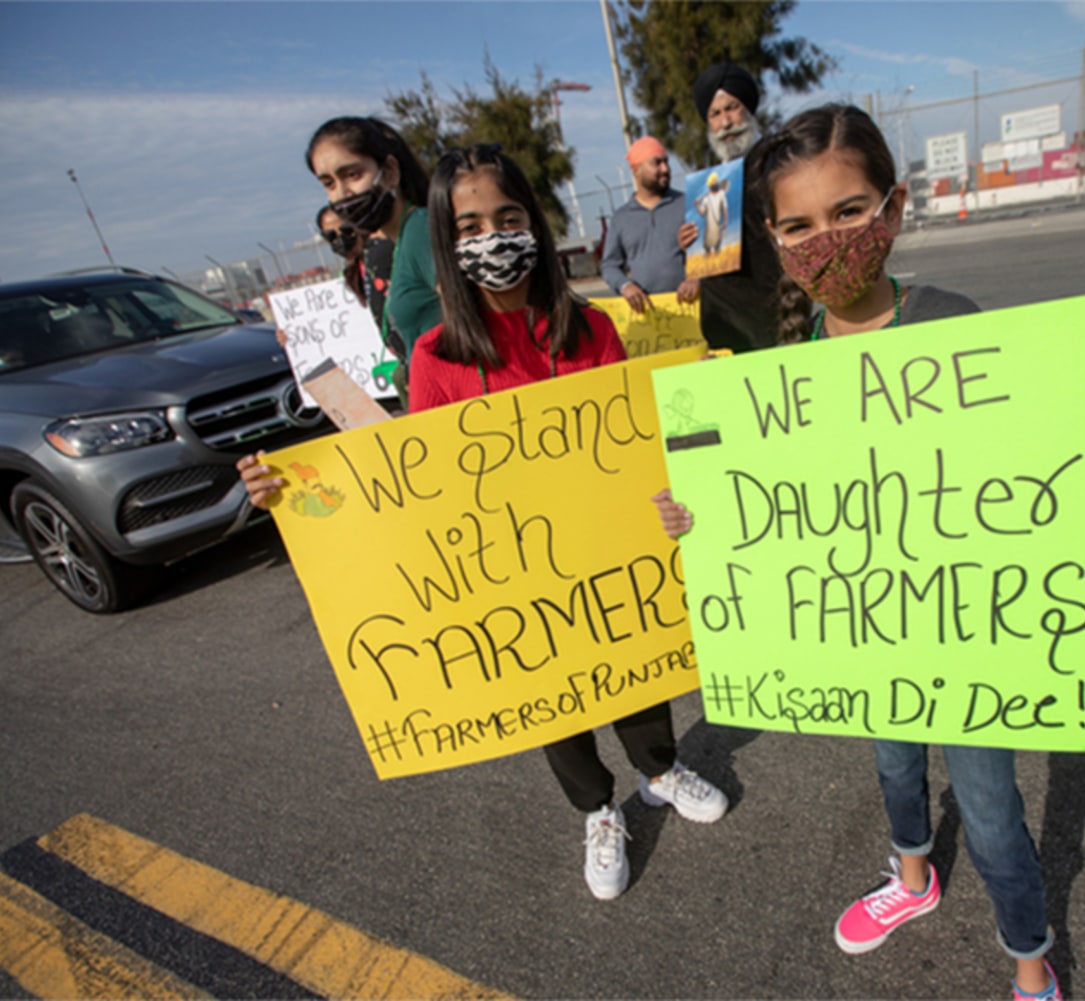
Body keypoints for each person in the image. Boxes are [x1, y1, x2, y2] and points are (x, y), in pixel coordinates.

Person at [653, 104, 1085, 1001]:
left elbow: (1063, 474)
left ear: (894, 209)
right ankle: (912, 878)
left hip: (973, 639)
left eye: (849, 211)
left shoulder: (957, 324)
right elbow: (776, 503)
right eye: (798, 226)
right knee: (894, 762)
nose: (826, 241)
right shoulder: (785, 362)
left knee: (988, 808)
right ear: (775, 240)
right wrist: (696, 519)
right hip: (871, 631)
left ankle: (1030, 958)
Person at [241, 143, 730, 903]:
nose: (493, 238)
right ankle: (598, 810)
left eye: (508, 218)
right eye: (470, 226)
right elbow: (412, 483)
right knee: (548, 692)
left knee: (633, 667)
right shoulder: (436, 357)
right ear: (446, 241)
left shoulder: (593, 330)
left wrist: (670, 498)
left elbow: (637, 451)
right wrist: (296, 490)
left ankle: (660, 769)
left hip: (606, 555)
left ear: (533, 222)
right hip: (511, 573)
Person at [306, 116, 439, 403]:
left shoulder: (421, 231)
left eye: (353, 175)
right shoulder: (401, 238)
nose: (342, 195)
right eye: (329, 183)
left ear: (390, 171)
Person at [679, 61, 784, 354]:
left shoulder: (775, 162)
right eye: (715, 114)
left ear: (748, 110)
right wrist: (690, 244)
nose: (725, 122)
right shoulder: (711, 180)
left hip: (773, 318)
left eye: (732, 108)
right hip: (724, 327)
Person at [599, 136, 698, 314]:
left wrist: (696, 279)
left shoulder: (688, 204)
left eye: (666, 162)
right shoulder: (621, 218)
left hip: (691, 310)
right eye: (657, 163)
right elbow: (609, 266)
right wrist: (625, 286)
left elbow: (711, 253)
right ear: (636, 170)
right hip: (648, 320)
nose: (665, 169)